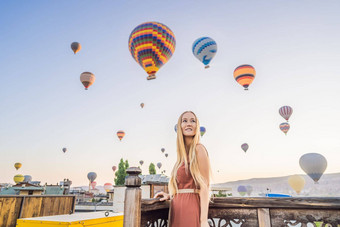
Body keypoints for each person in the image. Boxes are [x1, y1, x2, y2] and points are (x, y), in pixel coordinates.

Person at [154, 111, 211, 227]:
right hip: (176, 209)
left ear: (197, 126)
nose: (189, 124)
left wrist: (203, 221)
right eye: (184, 121)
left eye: (192, 121)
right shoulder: (181, 156)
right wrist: (169, 196)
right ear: (179, 127)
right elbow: (184, 185)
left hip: (190, 208)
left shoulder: (199, 149)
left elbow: (205, 186)